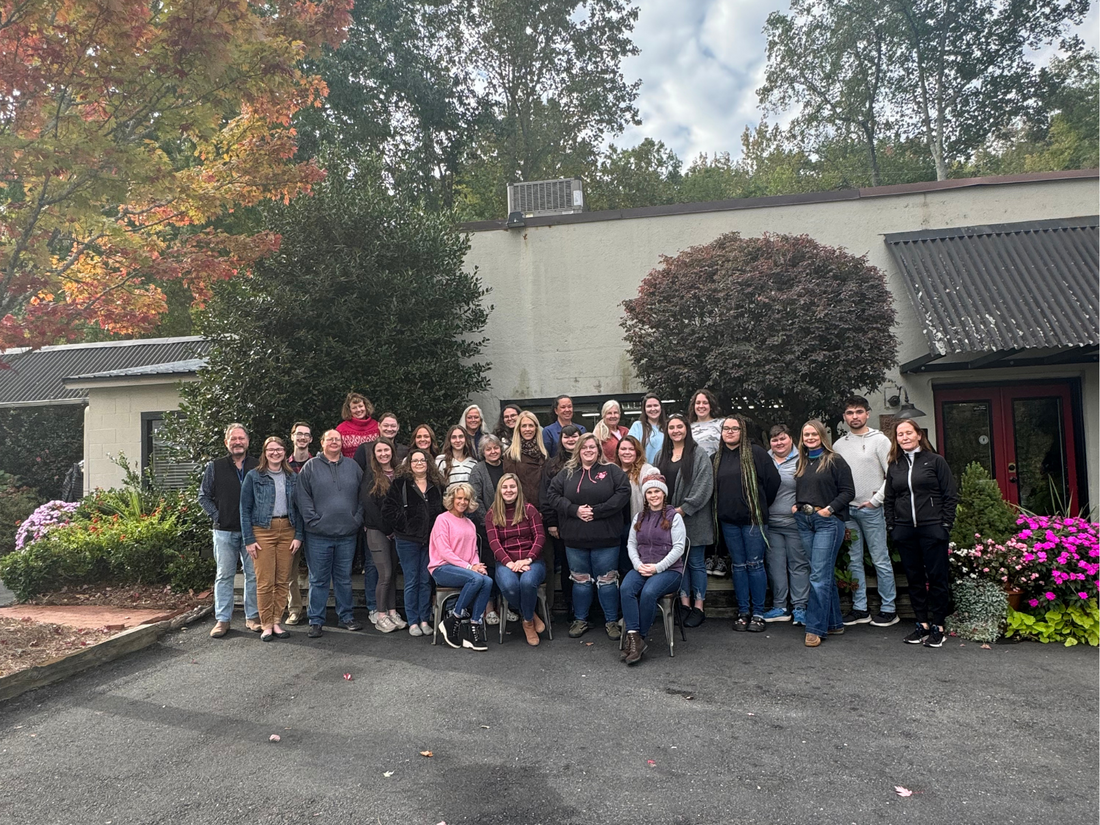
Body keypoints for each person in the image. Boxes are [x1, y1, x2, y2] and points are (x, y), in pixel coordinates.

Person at [547, 433, 631, 640]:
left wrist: (597, 511)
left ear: (598, 449)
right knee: (580, 581)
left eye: (592, 447)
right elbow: (552, 495)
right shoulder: (566, 473)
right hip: (575, 539)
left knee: (607, 580)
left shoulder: (612, 471)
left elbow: (623, 492)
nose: (588, 450)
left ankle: (611, 622)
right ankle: (581, 619)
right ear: (578, 450)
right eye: (584, 447)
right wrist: (574, 510)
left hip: (606, 538)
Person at [884, 420, 958, 649]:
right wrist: (892, 527)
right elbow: (889, 499)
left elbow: (950, 494)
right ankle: (921, 624)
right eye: (900, 434)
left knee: (937, 578)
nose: (904, 437)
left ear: (918, 435)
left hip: (932, 527)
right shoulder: (895, 464)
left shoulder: (935, 461)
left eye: (908, 433)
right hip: (905, 530)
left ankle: (938, 626)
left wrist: (944, 524)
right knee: (914, 578)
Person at [832, 396, 899, 627]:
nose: (855, 416)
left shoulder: (879, 441)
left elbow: (893, 474)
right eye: (850, 413)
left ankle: (889, 608)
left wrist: (876, 501)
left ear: (867, 414)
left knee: (880, 559)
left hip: (871, 510)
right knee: (854, 560)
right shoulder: (839, 445)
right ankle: (860, 608)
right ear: (844, 417)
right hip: (848, 511)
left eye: (859, 412)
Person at [714, 415, 781, 633]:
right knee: (738, 566)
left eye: (735, 428)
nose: (730, 432)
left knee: (755, 564)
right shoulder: (717, 457)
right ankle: (743, 612)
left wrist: (760, 504)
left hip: (754, 520)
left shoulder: (757, 453)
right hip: (729, 521)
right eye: (726, 429)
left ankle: (758, 613)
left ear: (742, 431)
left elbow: (773, 482)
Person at [295, 430, 364, 638]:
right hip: (317, 535)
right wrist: (314, 521)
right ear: (322, 442)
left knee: (343, 578)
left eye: (338, 439)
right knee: (318, 579)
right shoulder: (310, 467)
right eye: (330, 439)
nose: (334, 442)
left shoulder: (353, 467)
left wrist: (357, 519)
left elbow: (363, 495)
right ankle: (316, 620)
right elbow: (302, 497)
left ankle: (346, 617)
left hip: (347, 534)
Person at [793, 420, 855, 648]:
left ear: (822, 435)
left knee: (818, 576)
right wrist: (797, 505)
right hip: (804, 520)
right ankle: (835, 622)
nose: (810, 437)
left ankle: (814, 628)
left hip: (827, 522)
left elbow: (848, 491)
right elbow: (807, 489)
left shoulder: (834, 460)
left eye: (813, 434)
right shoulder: (802, 461)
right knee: (822, 573)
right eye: (806, 434)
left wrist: (829, 510)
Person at [198, 423, 261, 638]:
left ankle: (252, 617)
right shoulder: (214, 467)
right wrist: (218, 516)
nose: (237, 442)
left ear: (248, 441)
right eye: (233, 439)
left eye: (241, 438)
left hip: (252, 532)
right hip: (224, 532)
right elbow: (203, 496)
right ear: (226, 443)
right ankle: (222, 620)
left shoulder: (257, 465)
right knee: (224, 575)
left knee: (252, 575)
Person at [239, 437, 303, 641]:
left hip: (288, 530)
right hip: (262, 531)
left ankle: (277, 621)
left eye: (279, 449)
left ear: (285, 452)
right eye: (271, 449)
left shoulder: (292, 476)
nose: (275, 453)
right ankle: (266, 623)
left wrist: (299, 535)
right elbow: (244, 509)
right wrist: (249, 539)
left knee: (283, 579)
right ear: (265, 453)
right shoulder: (254, 476)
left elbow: (299, 508)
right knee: (265, 581)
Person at [621, 474, 687, 665]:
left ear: (663, 493)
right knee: (626, 589)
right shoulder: (639, 517)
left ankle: (638, 639)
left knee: (649, 592)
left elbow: (679, 547)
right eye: (649, 492)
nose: (653, 495)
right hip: (642, 566)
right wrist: (637, 564)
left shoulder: (674, 517)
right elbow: (631, 544)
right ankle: (635, 638)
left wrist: (658, 568)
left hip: (670, 570)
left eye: (656, 491)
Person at [657, 414, 714, 629]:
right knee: (678, 563)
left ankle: (699, 606)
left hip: (694, 518)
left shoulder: (699, 454)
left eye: (680, 426)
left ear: (687, 429)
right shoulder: (662, 455)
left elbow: (704, 486)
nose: (676, 430)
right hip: (668, 520)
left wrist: (683, 509)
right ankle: (684, 604)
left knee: (696, 563)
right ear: (667, 431)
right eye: (671, 427)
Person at [382, 447, 445, 637]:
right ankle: (413, 621)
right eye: (415, 460)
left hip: (430, 540)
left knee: (425, 580)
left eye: (423, 460)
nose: (419, 463)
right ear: (409, 464)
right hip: (407, 539)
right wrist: (405, 523)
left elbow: (443, 511)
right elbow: (388, 510)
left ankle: (425, 619)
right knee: (412, 580)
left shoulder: (437, 484)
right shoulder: (400, 484)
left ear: (428, 463)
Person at [486, 473, 547, 645]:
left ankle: (527, 623)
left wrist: (527, 560)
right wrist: (510, 563)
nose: (508, 490)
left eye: (512, 486)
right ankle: (530, 614)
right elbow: (494, 543)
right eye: (505, 487)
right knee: (510, 586)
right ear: (499, 490)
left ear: (518, 489)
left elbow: (540, 537)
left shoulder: (529, 510)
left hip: (532, 560)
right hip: (506, 562)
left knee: (527, 583)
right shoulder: (492, 514)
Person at [430, 482, 492, 651]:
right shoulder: (442, 520)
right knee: (475, 578)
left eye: (466, 499)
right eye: (459, 498)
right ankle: (454, 619)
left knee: (487, 581)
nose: (462, 502)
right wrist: (469, 567)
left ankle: (474, 627)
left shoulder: (470, 524)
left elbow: (473, 552)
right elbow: (444, 552)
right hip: (442, 568)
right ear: (452, 499)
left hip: (465, 570)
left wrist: (478, 565)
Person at [359, 437, 407, 634]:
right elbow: (369, 506)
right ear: (374, 454)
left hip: (396, 531)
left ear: (392, 452)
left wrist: (398, 528)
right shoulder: (371, 475)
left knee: (393, 573)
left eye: (386, 450)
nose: (383, 454)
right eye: (379, 451)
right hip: (377, 531)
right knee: (384, 573)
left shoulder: (400, 474)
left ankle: (392, 611)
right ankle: (380, 615)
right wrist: (387, 530)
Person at [766, 424, 810, 626]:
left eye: (782, 438)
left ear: (791, 439)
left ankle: (800, 608)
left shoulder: (802, 459)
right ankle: (780, 607)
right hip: (771, 523)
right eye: (775, 440)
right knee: (776, 567)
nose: (779, 443)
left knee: (798, 565)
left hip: (795, 523)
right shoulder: (765, 460)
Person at [467, 434, 511, 625]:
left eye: (496, 448)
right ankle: (490, 608)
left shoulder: (508, 466)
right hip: (486, 527)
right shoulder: (478, 470)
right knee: (490, 567)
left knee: (506, 566)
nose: (493, 451)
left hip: (510, 526)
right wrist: (490, 521)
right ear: (482, 452)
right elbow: (475, 500)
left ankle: (506, 606)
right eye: (488, 449)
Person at [538, 425, 582, 614]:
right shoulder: (551, 464)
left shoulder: (588, 461)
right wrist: (552, 522)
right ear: (561, 440)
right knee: (567, 566)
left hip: (586, 522)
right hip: (561, 524)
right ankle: (570, 606)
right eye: (567, 437)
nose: (571, 440)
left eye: (575, 436)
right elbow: (545, 496)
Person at [285, 420, 313, 625]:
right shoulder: (283, 466)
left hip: (313, 525)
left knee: (317, 572)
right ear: (292, 437)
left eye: (306, 435)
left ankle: (315, 610)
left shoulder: (318, 464)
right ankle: (294, 609)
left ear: (311, 439)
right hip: (290, 525)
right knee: (289, 572)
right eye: (299, 434)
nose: (302, 437)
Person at [335, 392, 379, 459]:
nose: (358, 410)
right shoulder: (341, 429)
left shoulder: (377, 426)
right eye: (354, 408)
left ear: (366, 407)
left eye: (360, 406)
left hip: (374, 468)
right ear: (349, 410)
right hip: (350, 468)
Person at [628, 392, 666, 465]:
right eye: (649, 406)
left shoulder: (668, 427)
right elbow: (630, 450)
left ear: (661, 407)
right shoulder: (637, 426)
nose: (653, 409)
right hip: (643, 470)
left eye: (655, 405)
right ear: (644, 409)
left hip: (665, 470)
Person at [688, 389, 723, 458]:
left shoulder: (722, 424)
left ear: (711, 406)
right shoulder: (687, 427)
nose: (701, 406)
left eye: (705, 403)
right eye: (698, 403)